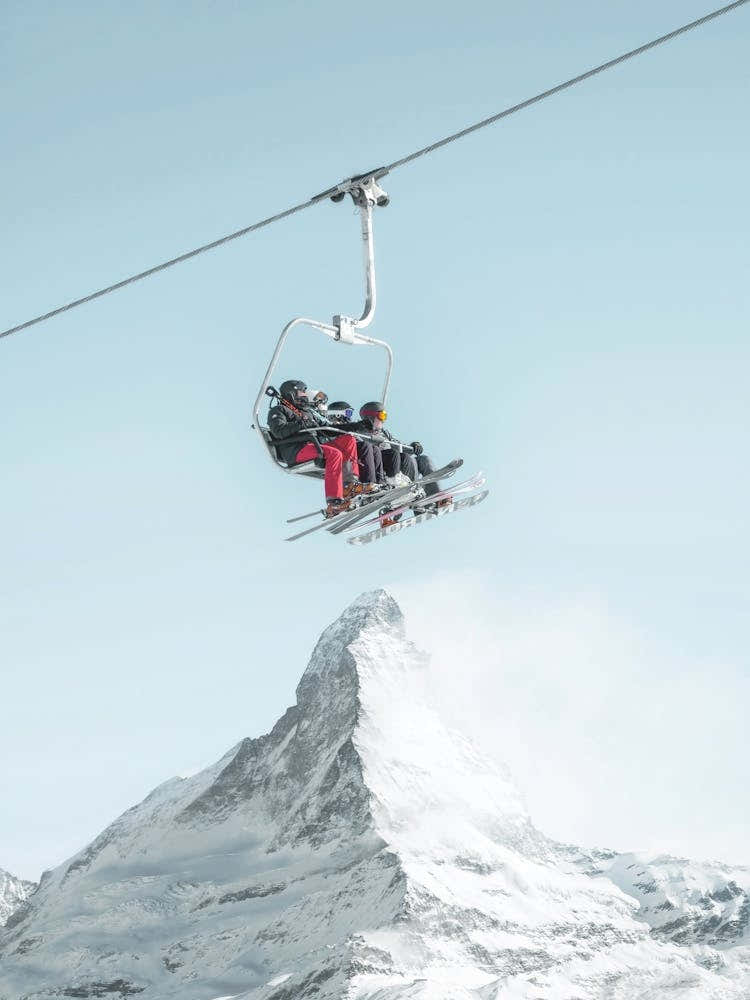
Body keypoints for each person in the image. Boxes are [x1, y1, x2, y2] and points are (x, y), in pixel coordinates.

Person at [267, 380, 375, 517]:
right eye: (301, 391)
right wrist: (300, 424)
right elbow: (278, 431)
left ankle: (348, 486)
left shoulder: (306, 413)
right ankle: (334, 501)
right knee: (334, 454)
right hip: (296, 450)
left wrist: (357, 426)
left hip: (314, 446)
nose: (305, 395)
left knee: (348, 440)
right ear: (292, 393)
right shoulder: (279, 410)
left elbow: (330, 429)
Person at [327, 401, 386, 487]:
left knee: (375, 449)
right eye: (348, 413)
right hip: (340, 450)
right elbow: (331, 434)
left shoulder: (349, 426)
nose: (350, 416)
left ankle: (379, 483)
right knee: (365, 446)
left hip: (351, 449)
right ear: (337, 414)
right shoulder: (331, 426)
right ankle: (369, 483)